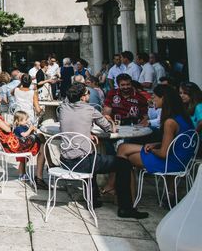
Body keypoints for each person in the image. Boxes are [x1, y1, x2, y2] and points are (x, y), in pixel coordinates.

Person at [58, 83, 148, 218]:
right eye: (87, 93)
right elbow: (109, 129)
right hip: (82, 162)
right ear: (83, 97)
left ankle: (94, 199)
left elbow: (72, 125)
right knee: (124, 164)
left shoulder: (62, 108)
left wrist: (86, 133)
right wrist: (110, 120)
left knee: (93, 155)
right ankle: (126, 208)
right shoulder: (90, 110)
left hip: (65, 160)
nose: (89, 95)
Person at [117, 85, 196, 199]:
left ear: (163, 98)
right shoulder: (182, 117)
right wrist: (156, 144)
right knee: (123, 148)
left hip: (171, 162)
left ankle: (127, 198)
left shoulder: (170, 122)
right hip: (182, 160)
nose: (152, 99)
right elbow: (175, 142)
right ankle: (125, 196)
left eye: (154, 97)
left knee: (123, 152)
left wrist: (153, 149)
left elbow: (163, 153)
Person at [0, 88, 48, 189]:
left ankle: (40, 176)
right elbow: (7, 129)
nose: (0, 99)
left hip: (11, 143)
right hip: (13, 145)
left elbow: (6, 126)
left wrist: (11, 124)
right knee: (42, 139)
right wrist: (11, 125)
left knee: (41, 140)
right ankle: (41, 176)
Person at [12, 110, 38, 181]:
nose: (26, 121)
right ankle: (21, 174)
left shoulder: (24, 126)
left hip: (25, 147)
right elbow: (24, 134)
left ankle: (24, 173)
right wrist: (30, 129)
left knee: (25, 161)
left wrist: (32, 130)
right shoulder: (18, 128)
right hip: (20, 148)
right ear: (18, 121)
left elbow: (28, 134)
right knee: (22, 162)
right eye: (25, 120)